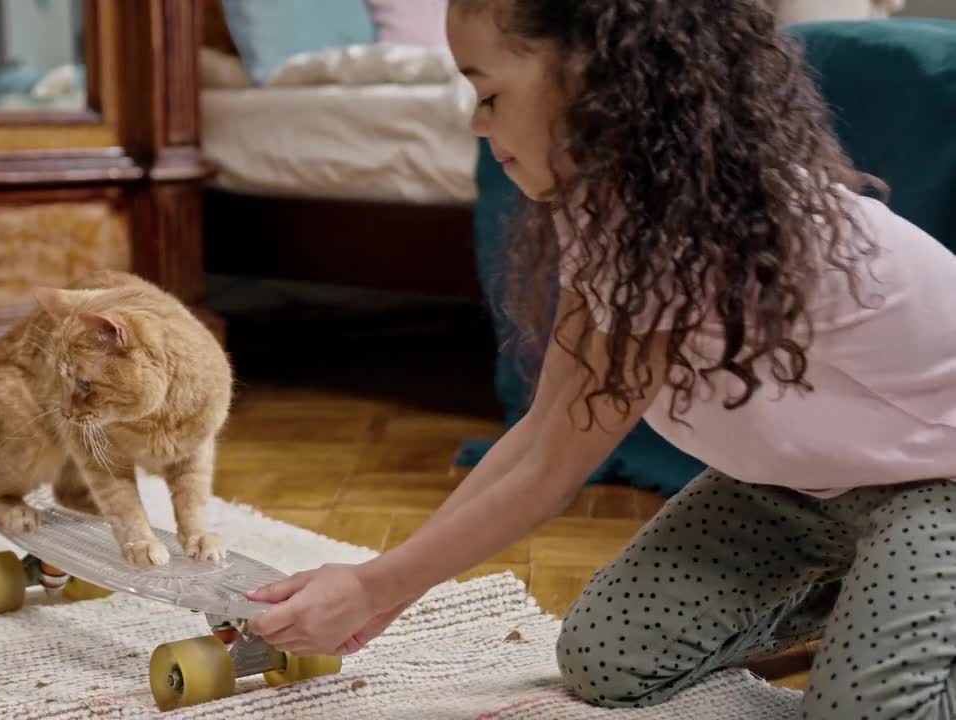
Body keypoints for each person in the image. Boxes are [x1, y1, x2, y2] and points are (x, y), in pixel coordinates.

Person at [246, 1, 956, 717]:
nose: (476, 124)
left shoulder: (700, 230)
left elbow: (556, 470)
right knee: (608, 661)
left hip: (940, 484)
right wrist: (388, 586)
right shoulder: (609, 214)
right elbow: (543, 430)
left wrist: (377, 585)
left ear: (598, 83)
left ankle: (905, 611)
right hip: (809, 488)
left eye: (490, 95)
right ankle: (876, 595)